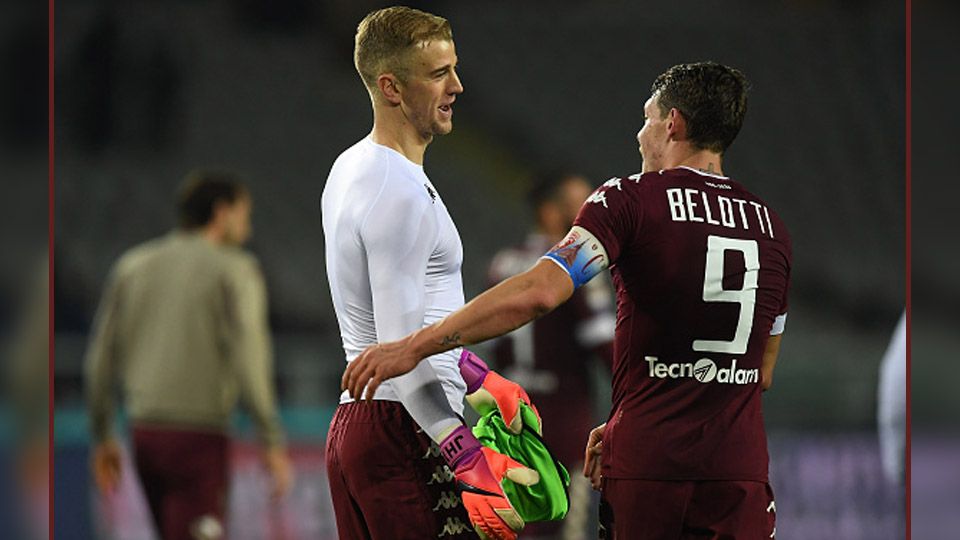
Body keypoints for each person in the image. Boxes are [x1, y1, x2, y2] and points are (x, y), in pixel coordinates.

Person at [344, 61, 792, 540]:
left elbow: (539, 292)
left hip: (649, 468)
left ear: (673, 123)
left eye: (647, 119)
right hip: (739, 471)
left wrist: (417, 344)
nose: (640, 136)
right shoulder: (772, 228)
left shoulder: (629, 199)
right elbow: (761, 372)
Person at [321, 7, 540, 540]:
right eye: (439, 73)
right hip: (406, 429)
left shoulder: (351, 167)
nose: (458, 86)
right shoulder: (399, 193)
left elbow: (399, 325)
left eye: (454, 69)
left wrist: (476, 373)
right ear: (391, 87)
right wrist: (467, 457)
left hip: (361, 426)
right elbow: (402, 353)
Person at [85, 170, 292, 540]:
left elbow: (99, 358)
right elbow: (250, 356)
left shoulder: (132, 266)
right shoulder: (235, 269)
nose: (247, 226)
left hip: (143, 432)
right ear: (222, 212)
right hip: (199, 437)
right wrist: (270, 437)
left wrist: (103, 434)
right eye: (244, 213)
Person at [487, 171, 615, 539]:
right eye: (582, 207)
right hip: (564, 425)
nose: (593, 216)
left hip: (509, 424)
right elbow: (607, 347)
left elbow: (491, 348)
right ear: (549, 212)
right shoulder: (575, 265)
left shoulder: (502, 265)